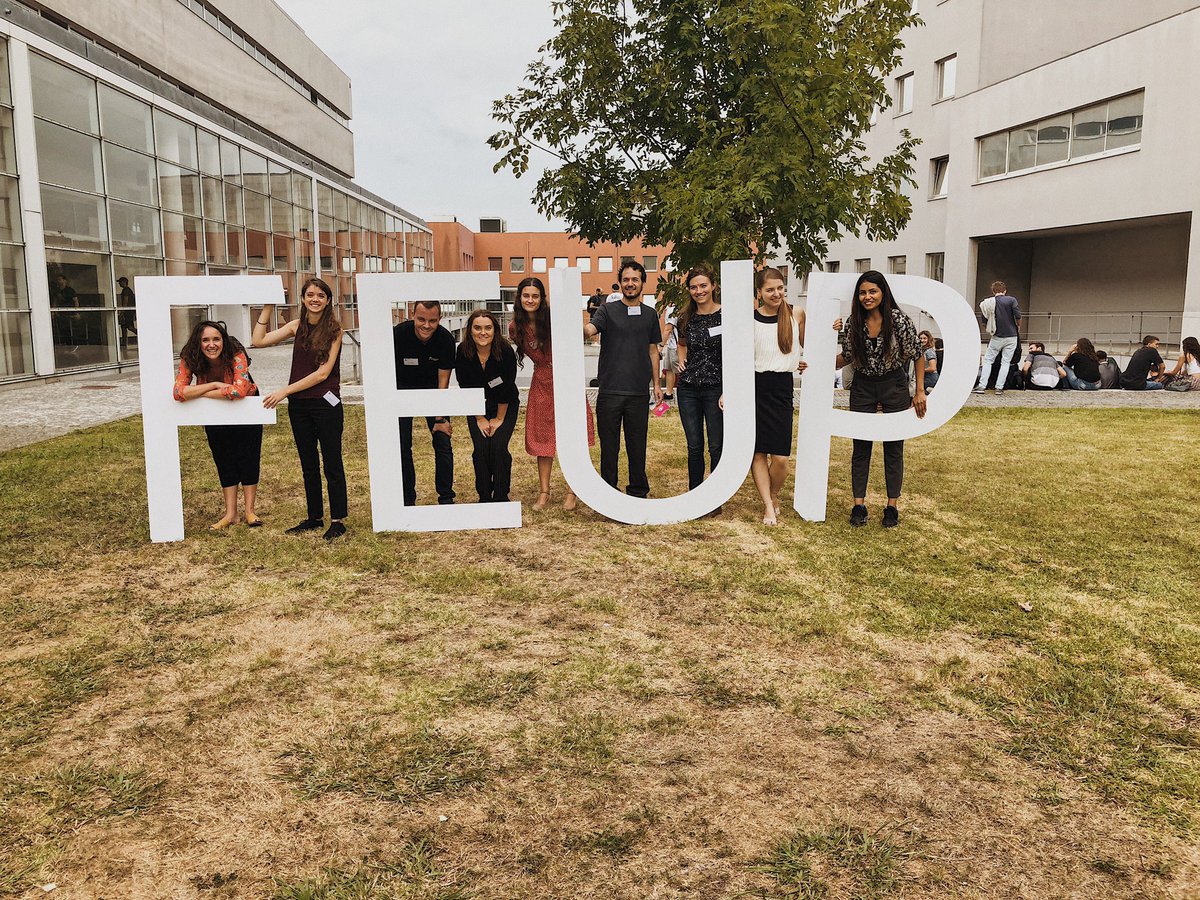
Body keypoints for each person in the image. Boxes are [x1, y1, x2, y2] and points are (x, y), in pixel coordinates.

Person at [252, 278, 347, 539]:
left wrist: (285, 390)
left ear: (328, 301)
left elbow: (322, 373)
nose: (315, 299)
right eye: (310, 295)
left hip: (326, 404)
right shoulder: (296, 326)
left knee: (332, 462)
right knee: (308, 463)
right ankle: (314, 517)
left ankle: (338, 519)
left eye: (321, 296)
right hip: (300, 406)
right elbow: (258, 341)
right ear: (303, 299)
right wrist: (269, 307)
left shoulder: (335, 330)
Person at [835, 271, 925, 528]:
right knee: (860, 447)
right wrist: (817, 357)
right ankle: (859, 505)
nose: (867, 297)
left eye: (872, 291)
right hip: (863, 385)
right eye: (862, 292)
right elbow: (848, 356)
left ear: (883, 293)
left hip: (894, 384)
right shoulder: (854, 322)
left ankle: (891, 507)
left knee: (893, 447)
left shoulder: (897, 320)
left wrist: (919, 391)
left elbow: (917, 354)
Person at [509, 276, 595, 510]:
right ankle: (544, 492)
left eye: (535, 296)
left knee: (573, 433)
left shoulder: (554, 318)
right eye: (526, 295)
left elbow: (578, 336)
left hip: (567, 378)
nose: (530, 299)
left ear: (542, 298)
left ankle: (572, 491)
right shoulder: (515, 326)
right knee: (543, 435)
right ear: (519, 298)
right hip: (542, 381)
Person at [584, 260, 663, 497]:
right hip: (609, 392)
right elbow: (591, 330)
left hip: (638, 393)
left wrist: (657, 384)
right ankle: (609, 493)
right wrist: (574, 327)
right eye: (626, 280)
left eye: (635, 279)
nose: (630, 284)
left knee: (637, 447)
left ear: (642, 284)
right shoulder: (606, 310)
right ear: (620, 283)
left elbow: (652, 350)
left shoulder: (650, 314)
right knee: (609, 447)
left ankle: (638, 491)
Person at [173, 320, 262, 531]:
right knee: (223, 456)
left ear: (223, 340)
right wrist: (213, 385)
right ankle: (231, 514)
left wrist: (199, 391)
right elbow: (178, 393)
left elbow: (239, 391)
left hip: (246, 404)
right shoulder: (190, 356)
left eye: (216, 339)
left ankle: (250, 510)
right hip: (212, 405)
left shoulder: (236, 352)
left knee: (248, 455)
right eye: (205, 340)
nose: (211, 344)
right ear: (198, 343)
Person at [752, 267, 808, 526]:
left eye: (780, 288)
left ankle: (774, 494)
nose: (776, 293)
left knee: (782, 458)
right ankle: (767, 505)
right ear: (759, 292)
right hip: (755, 387)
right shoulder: (749, 318)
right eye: (770, 289)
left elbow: (810, 345)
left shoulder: (795, 313)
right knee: (758, 452)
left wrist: (805, 360)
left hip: (782, 387)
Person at [393, 300, 457, 505]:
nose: (426, 325)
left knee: (442, 440)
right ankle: (406, 499)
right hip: (402, 391)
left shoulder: (446, 340)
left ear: (440, 319)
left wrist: (440, 418)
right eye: (421, 319)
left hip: (434, 392)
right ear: (412, 315)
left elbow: (443, 381)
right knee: (402, 446)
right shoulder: (398, 335)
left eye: (432, 320)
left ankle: (446, 498)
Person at [674, 264, 725, 506]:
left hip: (716, 389)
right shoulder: (685, 318)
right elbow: (682, 343)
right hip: (689, 389)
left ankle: (714, 498)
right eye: (694, 287)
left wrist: (729, 389)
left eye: (703, 285)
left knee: (716, 445)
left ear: (713, 286)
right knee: (694, 445)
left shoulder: (728, 316)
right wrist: (681, 356)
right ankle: (696, 495)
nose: (699, 291)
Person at [455, 310, 519, 502]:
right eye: (477, 328)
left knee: (498, 447)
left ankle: (501, 495)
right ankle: (484, 496)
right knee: (481, 448)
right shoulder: (463, 351)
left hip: (504, 405)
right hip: (475, 407)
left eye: (488, 328)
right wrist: (480, 418)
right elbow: (464, 385)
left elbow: (506, 386)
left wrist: (499, 419)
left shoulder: (506, 350)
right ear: (470, 330)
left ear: (495, 330)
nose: (483, 332)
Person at [973, 280, 1021, 394]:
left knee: (988, 360)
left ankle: (982, 386)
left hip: (997, 336)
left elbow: (984, 320)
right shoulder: (1011, 300)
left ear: (993, 291)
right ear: (1005, 291)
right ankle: (999, 388)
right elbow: (1018, 315)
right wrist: (1018, 326)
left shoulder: (987, 303)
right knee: (1005, 362)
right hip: (1011, 335)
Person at [659, 304, 679, 401]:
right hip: (671, 344)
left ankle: (684, 393)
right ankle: (669, 393)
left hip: (676, 346)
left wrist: (661, 346)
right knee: (668, 369)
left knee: (679, 370)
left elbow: (668, 329)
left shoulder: (673, 310)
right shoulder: (669, 308)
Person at [117, 276, 137, 352]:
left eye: (120, 282)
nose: (119, 284)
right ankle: (124, 342)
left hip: (127, 312)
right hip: (128, 311)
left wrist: (122, 311)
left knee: (129, 326)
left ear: (124, 282)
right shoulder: (128, 290)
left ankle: (141, 336)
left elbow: (125, 301)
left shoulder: (126, 290)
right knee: (124, 327)